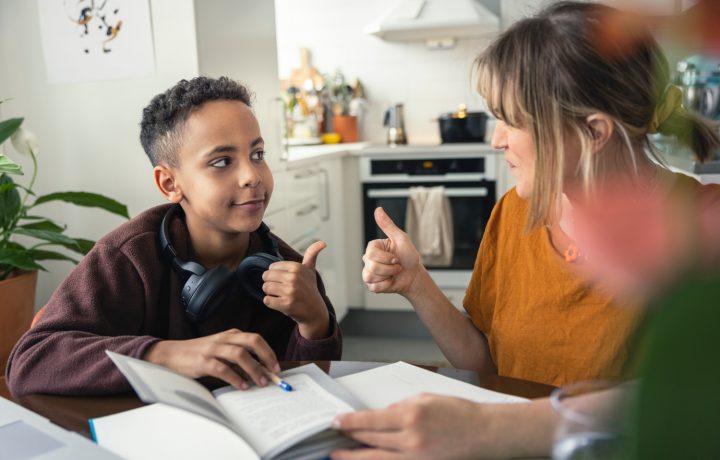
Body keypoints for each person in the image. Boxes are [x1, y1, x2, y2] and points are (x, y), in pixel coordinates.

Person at [331, 1, 720, 458]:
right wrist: (417, 285)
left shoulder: (701, 231)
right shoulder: (515, 213)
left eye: (512, 121)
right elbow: (488, 364)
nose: (496, 139)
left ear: (594, 133)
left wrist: (491, 428)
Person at [6, 76, 341, 397]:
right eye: (222, 161)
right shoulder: (127, 255)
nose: (251, 176)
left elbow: (309, 386)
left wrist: (315, 321)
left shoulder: (288, 268)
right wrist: (165, 355)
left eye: (257, 154)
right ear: (169, 183)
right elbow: (29, 361)